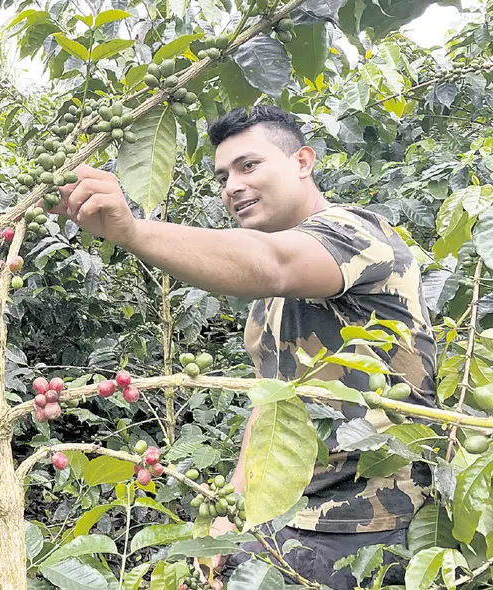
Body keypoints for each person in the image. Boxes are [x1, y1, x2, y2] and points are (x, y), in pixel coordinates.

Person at [52, 105, 438, 588]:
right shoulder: (268, 302)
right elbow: (268, 403)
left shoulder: (357, 233)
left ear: (302, 162)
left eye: (249, 165)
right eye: (223, 176)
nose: (232, 186)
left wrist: (130, 231)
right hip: (290, 516)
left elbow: (272, 263)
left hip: (372, 521)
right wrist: (231, 511)